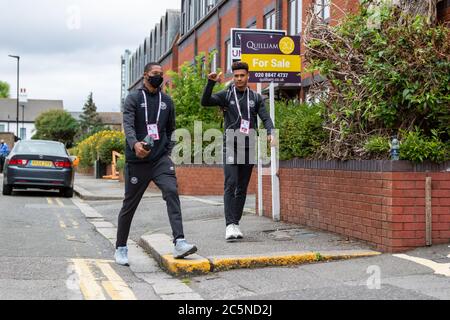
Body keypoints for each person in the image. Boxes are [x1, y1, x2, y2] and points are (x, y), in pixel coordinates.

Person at [115, 62, 197, 266]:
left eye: (161, 74)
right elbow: (128, 125)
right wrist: (135, 144)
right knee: (130, 205)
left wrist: (167, 151)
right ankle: (121, 247)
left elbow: (171, 129)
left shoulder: (167, 101)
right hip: (138, 160)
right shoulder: (133, 98)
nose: (158, 77)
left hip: (160, 160)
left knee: (171, 191)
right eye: (154, 74)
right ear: (145, 76)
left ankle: (180, 242)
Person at [201, 61, 276, 241]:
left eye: (242, 75)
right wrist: (210, 83)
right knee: (231, 183)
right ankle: (229, 225)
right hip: (231, 144)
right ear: (233, 77)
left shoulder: (256, 97)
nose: (239, 79)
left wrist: (271, 134)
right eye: (236, 76)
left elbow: (265, 118)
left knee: (242, 187)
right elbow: (205, 102)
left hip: (249, 145)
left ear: (247, 76)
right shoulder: (227, 95)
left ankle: (236, 223)